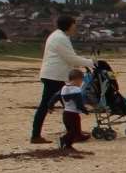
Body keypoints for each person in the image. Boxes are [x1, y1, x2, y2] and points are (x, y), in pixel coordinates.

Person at [31, 14, 93, 144]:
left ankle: (74, 133)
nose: (75, 27)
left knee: (68, 106)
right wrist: (91, 63)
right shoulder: (60, 38)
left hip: (54, 75)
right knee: (55, 105)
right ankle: (36, 136)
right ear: (69, 25)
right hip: (54, 76)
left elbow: (70, 57)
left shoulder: (59, 36)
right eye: (74, 24)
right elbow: (71, 58)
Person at [58, 67, 92, 150]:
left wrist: (50, 104)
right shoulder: (76, 89)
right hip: (73, 114)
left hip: (66, 113)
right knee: (74, 131)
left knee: (71, 131)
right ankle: (63, 140)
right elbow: (78, 103)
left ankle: (68, 146)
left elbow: (56, 96)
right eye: (81, 81)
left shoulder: (64, 87)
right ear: (77, 79)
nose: (81, 83)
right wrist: (85, 110)